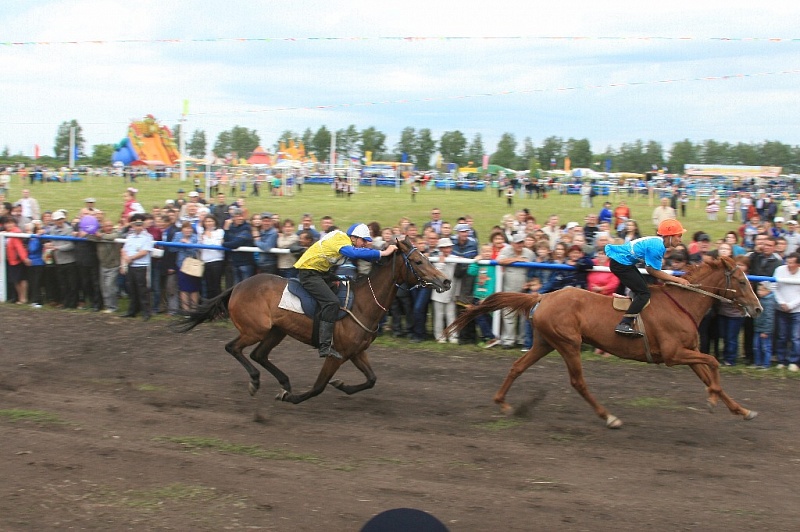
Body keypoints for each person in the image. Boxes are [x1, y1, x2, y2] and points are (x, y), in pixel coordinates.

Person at [294, 223, 397, 359]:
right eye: (364, 240)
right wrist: (383, 253)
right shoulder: (341, 239)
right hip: (309, 273)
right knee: (332, 302)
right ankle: (324, 346)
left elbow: (360, 254)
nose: (365, 244)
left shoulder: (345, 241)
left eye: (367, 241)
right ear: (354, 237)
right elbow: (355, 253)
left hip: (321, 273)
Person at [605, 218, 691, 337]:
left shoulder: (658, 243)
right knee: (644, 293)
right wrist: (678, 279)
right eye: (679, 236)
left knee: (642, 288)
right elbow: (652, 271)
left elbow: (653, 270)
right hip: (621, 264)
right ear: (669, 236)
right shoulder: (658, 247)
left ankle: (631, 310)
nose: (680, 240)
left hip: (623, 263)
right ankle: (624, 324)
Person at [120, 214, 154, 321]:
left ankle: (146, 312)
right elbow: (124, 249)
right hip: (131, 266)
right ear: (133, 225)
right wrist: (126, 258)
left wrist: (131, 258)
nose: (138, 227)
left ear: (143, 225)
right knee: (132, 289)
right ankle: (132, 311)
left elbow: (144, 251)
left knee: (142, 290)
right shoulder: (130, 236)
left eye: (140, 224)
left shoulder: (147, 237)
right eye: (136, 225)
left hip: (141, 266)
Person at [773, 252, 800, 372]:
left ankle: (793, 361)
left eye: (791, 263)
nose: (788, 265)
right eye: (787, 262)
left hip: (797, 310)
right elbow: (774, 287)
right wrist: (781, 303)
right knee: (781, 336)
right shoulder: (780, 270)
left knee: (795, 337)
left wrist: (791, 305)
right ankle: (781, 360)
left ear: (798, 264)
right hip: (781, 309)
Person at [753, 282, 776, 369]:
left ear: (768, 290)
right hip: (758, 328)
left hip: (764, 330)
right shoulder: (761, 300)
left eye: (762, 290)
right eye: (759, 289)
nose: (759, 292)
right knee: (756, 347)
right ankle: (757, 363)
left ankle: (766, 365)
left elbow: (769, 318)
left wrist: (766, 331)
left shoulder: (769, 302)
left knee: (765, 347)